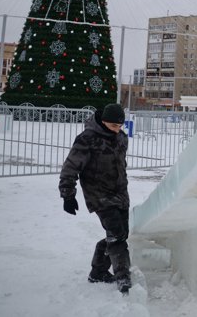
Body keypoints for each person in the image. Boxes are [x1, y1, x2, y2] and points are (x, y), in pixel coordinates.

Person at [59, 103, 132, 294]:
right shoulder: (87, 139)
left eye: (120, 126)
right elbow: (71, 166)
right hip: (99, 194)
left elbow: (120, 165)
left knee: (121, 233)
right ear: (104, 121)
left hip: (120, 193)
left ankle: (98, 271)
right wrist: (68, 194)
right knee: (116, 235)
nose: (118, 130)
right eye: (114, 126)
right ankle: (123, 277)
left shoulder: (121, 138)